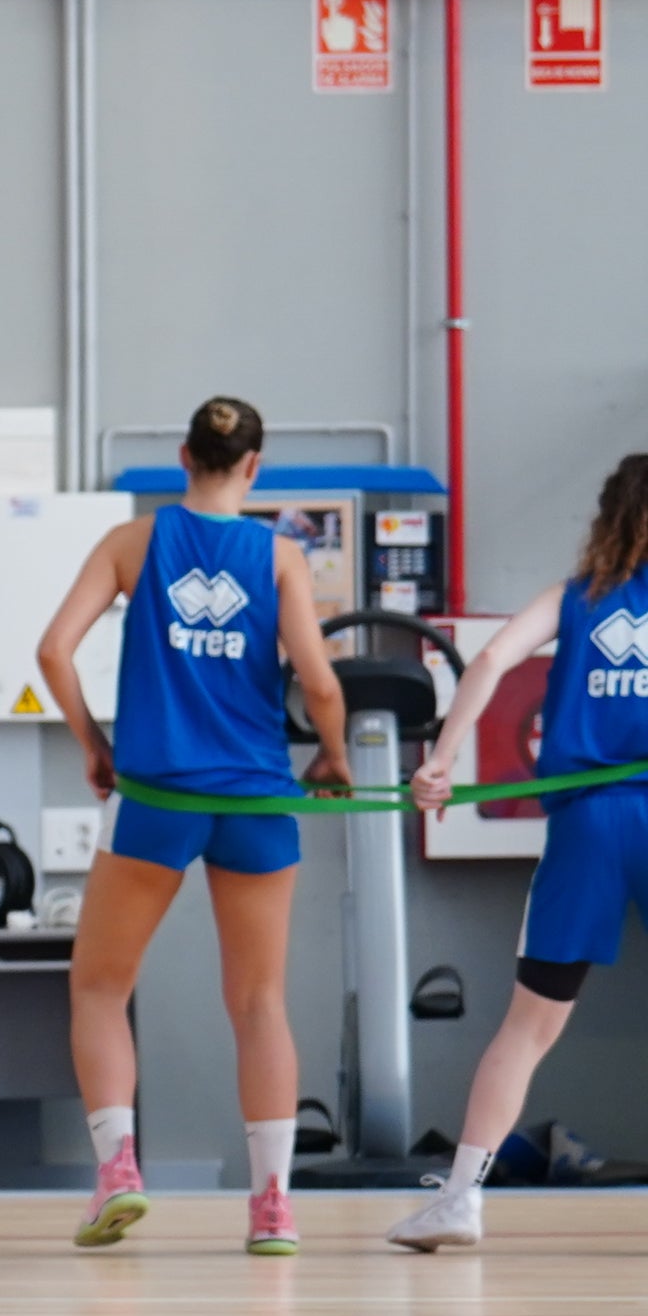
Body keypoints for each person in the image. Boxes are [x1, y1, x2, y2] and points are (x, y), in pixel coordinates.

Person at [38, 397, 349, 1256]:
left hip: (156, 795)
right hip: (255, 798)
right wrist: (334, 757)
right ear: (255, 466)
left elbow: (54, 650)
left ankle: (118, 1172)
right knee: (259, 1000)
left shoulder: (134, 544)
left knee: (100, 986)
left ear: (184, 455)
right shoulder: (282, 555)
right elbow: (320, 684)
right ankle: (274, 1205)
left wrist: (95, 745)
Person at [389, 453, 648, 1250]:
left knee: (529, 1027)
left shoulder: (575, 599)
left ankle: (461, 1197)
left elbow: (495, 661)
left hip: (588, 823)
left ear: (606, 517)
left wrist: (439, 757)